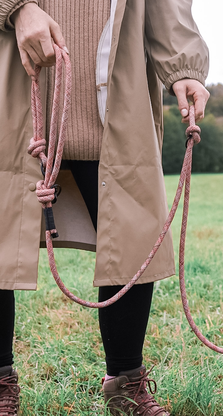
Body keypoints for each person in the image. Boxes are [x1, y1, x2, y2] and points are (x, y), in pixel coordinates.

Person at [0, 0, 209, 415]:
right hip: (18, 87)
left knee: (133, 236)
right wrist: (16, 8)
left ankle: (126, 383)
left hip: (116, 97)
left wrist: (183, 69)